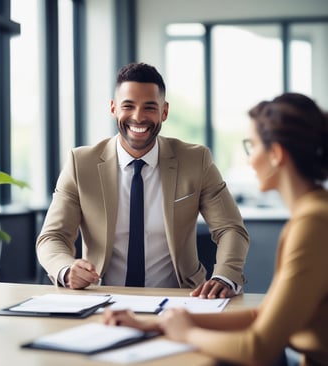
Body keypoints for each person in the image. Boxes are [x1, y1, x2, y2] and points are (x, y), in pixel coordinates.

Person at [103, 92, 328, 365]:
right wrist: (158, 324)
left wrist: (187, 334)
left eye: (252, 146)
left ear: (276, 155)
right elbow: (261, 315)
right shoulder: (313, 213)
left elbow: (257, 348)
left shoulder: (313, 224)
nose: (249, 160)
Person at [36, 62, 249, 298]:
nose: (138, 117)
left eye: (149, 107)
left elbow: (230, 228)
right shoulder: (80, 163)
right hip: (100, 297)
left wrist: (225, 275)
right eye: (128, 106)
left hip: (181, 298)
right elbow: (52, 237)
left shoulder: (195, 160)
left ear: (164, 111)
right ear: (113, 108)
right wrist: (66, 270)